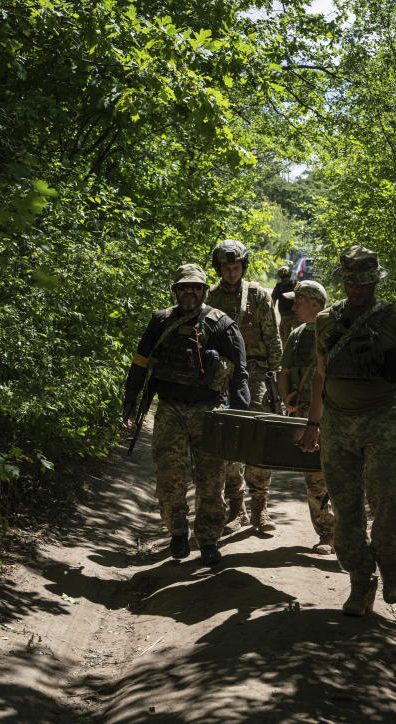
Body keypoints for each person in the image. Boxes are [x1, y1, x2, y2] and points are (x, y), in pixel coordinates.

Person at [300, 246, 396, 616]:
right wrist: (313, 424)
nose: (357, 290)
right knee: (346, 511)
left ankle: (389, 559)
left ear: (376, 281)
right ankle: (361, 581)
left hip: (381, 424)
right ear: (343, 281)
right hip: (337, 426)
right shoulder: (326, 321)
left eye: (364, 283)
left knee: (388, 501)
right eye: (350, 283)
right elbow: (320, 375)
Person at [122, 263, 250, 567]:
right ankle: (178, 532)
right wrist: (131, 396)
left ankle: (208, 539)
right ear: (175, 291)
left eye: (195, 287)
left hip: (210, 411)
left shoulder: (223, 325)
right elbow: (141, 362)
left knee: (211, 480)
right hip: (169, 409)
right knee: (169, 477)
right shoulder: (160, 322)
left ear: (205, 290)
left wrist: (241, 414)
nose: (189, 291)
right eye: (183, 287)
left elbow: (240, 373)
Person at [206, 239, 284, 532]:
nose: (231, 274)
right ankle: (236, 507)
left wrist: (277, 376)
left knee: (260, 436)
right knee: (227, 439)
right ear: (219, 268)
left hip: (256, 373)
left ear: (243, 267)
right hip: (222, 373)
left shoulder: (258, 296)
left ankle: (260, 507)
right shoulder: (210, 297)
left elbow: (273, 338)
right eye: (226, 268)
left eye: (236, 268)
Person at [275, 279, 336, 554]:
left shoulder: (336, 331)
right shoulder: (297, 334)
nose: (293, 306)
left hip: (332, 413)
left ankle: (346, 532)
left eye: (298, 301)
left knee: (340, 473)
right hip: (303, 412)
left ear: (314, 303)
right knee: (313, 474)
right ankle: (327, 534)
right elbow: (285, 370)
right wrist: (286, 397)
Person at [271, 265, 298, 347]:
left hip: (284, 316)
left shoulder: (278, 286)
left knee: (285, 339)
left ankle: (287, 355)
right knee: (298, 335)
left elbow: (273, 302)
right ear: (289, 274)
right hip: (296, 316)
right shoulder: (295, 284)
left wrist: (272, 317)